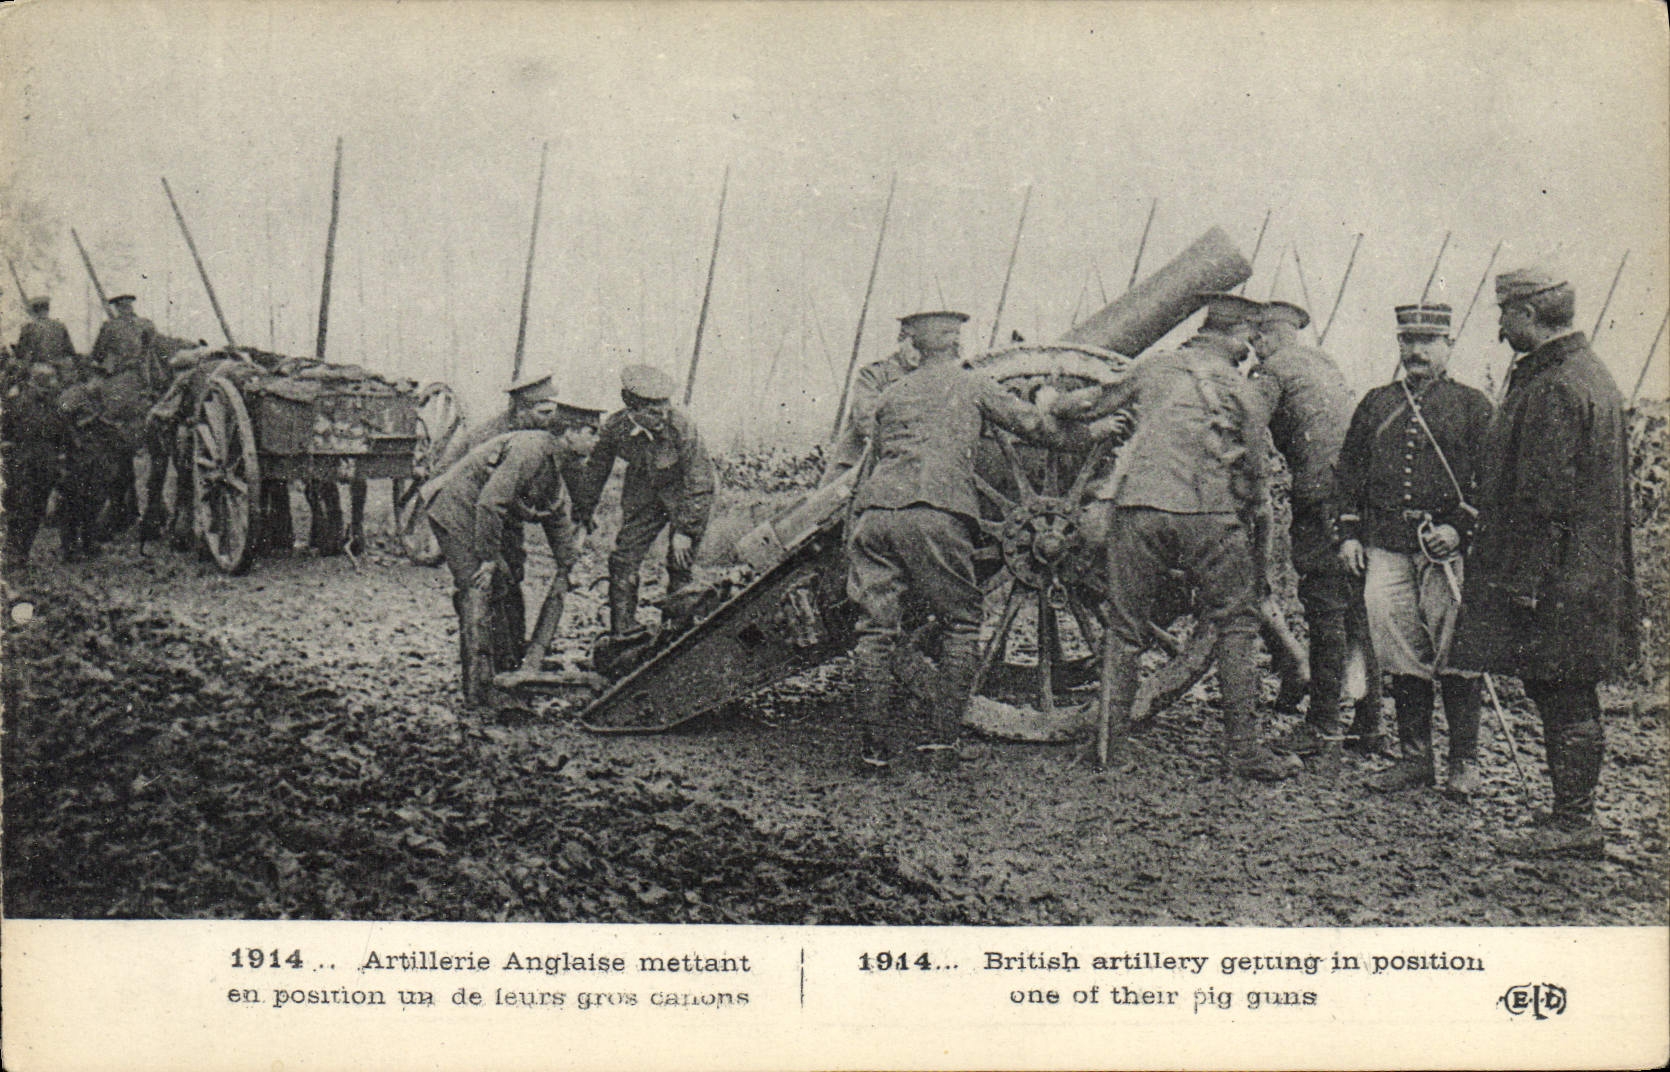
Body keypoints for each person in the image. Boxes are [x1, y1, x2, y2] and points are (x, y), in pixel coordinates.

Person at [1052, 292, 1298, 781]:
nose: (1249, 348)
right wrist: (1249, 511)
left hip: (1140, 510)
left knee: (1123, 629)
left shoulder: (1154, 368)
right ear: (1234, 335)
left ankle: (1110, 750)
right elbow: (1255, 467)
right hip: (1209, 515)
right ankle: (1243, 752)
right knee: (1236, 625)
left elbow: (1091, 404)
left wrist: (1053, 402)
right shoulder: (1241, 387)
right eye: (1248, 338)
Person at [1453, 268, 1638, 856]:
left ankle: (1574, 822)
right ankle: (1572, 814)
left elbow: (1543, 499)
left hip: (1556, 578)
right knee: (1566, 690)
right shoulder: (1586, 372)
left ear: (1528, 315)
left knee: (1563, 692)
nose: (1501, 327)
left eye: (1504, 314)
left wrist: (1522, 584)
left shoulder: (1555, 385)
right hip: (1581, 573)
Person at [846, 310, 1061, 767]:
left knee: (875, 633)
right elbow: (1034, 426)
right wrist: (1091, 431)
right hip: (935, 513)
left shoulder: (891, 394)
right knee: (961, 624)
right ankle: (942, 744)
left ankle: (873, 752)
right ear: (955, 343)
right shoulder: (973, 384)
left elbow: (877, 455)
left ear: (915, 346)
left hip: (876, 516)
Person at [1335, 303, 1493, 797]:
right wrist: (1349, 533)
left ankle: (1464, 763)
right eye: (1409, 341)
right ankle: (1415, 760)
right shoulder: (1377, 403)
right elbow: (1349, 473)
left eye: (1428, 342)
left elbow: (1492, 481)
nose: (1417, 351)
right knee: (1399, 650)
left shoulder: (1473, 406)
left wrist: (1459, 528)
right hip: (1385, 546)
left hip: (1445, 552)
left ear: (1448, 346)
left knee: (1456, 648)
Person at [425, 399, 599, 709]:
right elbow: (490, 503)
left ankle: (508, 668)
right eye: (591, 432)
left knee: (506, 583)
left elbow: (555, 511)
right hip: (456, 509)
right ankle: (479, 690)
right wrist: (488, 558)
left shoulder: (561, 459)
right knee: (479, 587)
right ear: (570, 432)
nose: (596, 440)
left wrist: (567, 562)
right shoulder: (531, 450)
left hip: (482, 515)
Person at [1250, 300, 1364, 758]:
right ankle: (1368, 722)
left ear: (1266, 337)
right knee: (1355, 610)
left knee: (1324, 606)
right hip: (1357, 495)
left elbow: (1246, 428)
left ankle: (1322, 725)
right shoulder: (1322, 362)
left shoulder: (1272, 372)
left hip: (1322, 497)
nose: (1253, 347)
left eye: (1256, 339)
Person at [571, 364, 715, 640]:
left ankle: (678, 633)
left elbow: (700, 481)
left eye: (665, 404)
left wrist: (686, 530)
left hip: (684, 496)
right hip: (643, 494)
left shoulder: (682, 427)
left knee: (679, 563)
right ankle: (625, 633)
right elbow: (596, 472)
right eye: (652, 409)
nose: (662, 413)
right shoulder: (616, 427)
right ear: (632, 407)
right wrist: (583, 513)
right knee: (623, 559)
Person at [820, 321, 923, 486]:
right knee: (831, 499)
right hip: (857, 460)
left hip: (902, 462)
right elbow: (865, 418)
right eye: (913, 346)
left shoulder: (926, 379)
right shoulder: (874, 374)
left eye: (923, 349)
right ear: (901, 341)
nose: (917, 354)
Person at [2, 360, 72, 568]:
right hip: (23, 463)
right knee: (20, 509)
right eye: (51, 379)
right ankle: (13, 554)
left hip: (45, 463)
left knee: (36, 510)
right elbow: (6, 433)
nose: (55, 383)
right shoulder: (18, 403)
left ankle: (21, 555)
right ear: (40, 380)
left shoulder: (53, 405)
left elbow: (61, 433)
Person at [14, 296, 78, 376]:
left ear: (34, 310)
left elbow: (20, 353)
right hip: (59, 369)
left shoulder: (28, 327)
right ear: (48, 309)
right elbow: (70, 350)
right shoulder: (60, 326)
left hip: (38, 369)